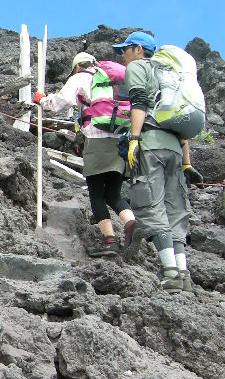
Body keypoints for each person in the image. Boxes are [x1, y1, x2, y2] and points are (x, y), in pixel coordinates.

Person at [115, 31, 202, 292]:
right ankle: (183, 274)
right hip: (175, 149)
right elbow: (179, 123)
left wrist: (134, 138)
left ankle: (169, 272)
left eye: (126, 49)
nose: (123, 54)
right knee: (175, 208)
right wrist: (186, 162)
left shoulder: (140, 68)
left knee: (150, 204)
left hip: (151, 144)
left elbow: (139, 102)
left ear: (139, 50)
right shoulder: (171, 74)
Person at [34, 51, 137, 257]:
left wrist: (42, 100)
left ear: (76, 66)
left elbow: (60, 103)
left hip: (97, 142)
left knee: (96, 194)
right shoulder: (112, 80)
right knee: (114, 195)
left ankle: (109, 241)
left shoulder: (80, 77)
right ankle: (132, 223)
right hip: (121, 142)